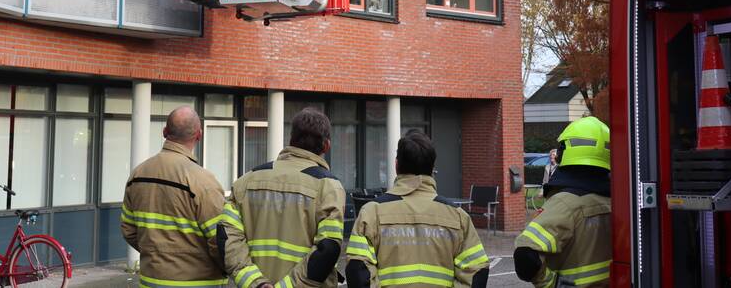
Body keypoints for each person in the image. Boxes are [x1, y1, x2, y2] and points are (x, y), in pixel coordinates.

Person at [345, 130, 491, 287]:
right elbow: (477, 271)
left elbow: (357, 271)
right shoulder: (458, 217)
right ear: (432, 168)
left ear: (396, 165)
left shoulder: (371, 213)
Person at [220, 108, 345, 288]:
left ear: (291, 140)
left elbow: (228, 240)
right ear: (326, 146)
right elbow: (328, 250)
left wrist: (256, 283)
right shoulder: (328, 187)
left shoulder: (245, 182)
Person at [121, 106, 227, 287]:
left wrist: (157, 254)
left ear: (164, 132)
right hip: (198, 282)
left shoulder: (138, 174)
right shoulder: (203, 181)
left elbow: (129, 229)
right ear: (199, 135)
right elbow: (220, 241)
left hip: (151, 281)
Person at [514, 116, 612, 287]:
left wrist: (553, 284)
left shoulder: (564, 203)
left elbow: (525, 255)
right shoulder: (618, 201)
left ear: (563, 151)